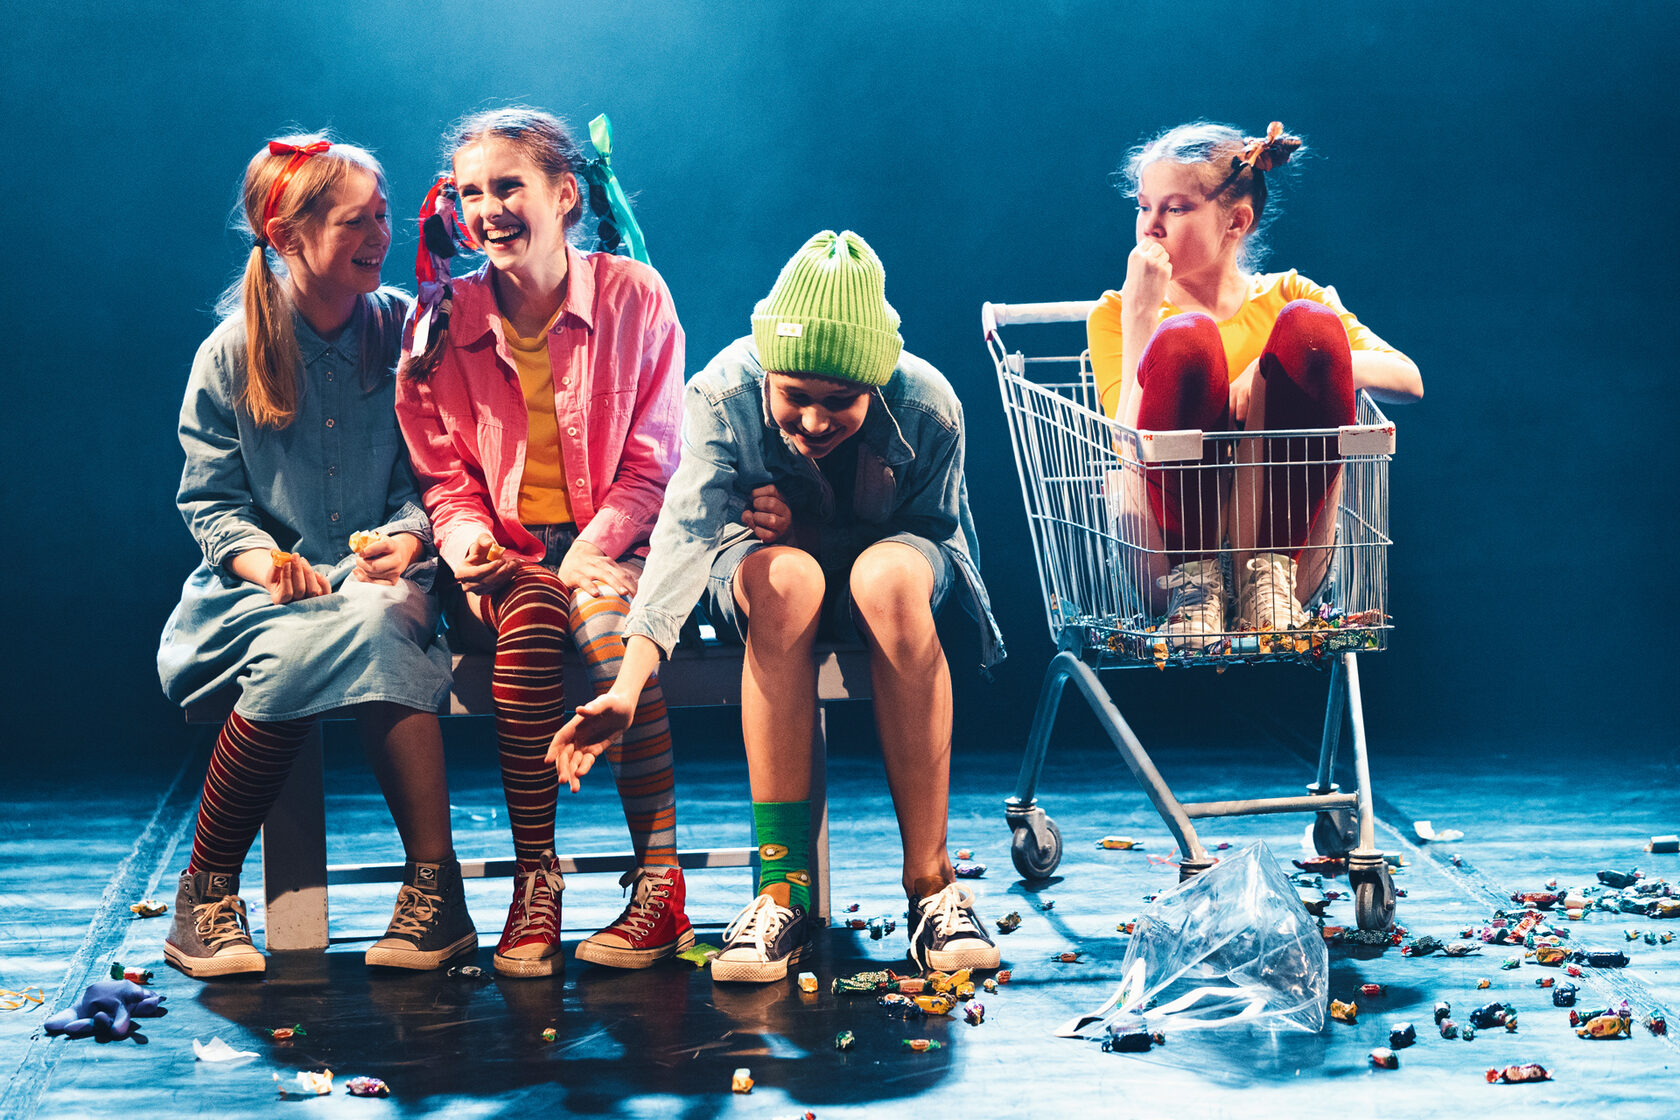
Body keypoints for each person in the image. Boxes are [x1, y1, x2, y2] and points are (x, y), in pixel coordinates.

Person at [551, 230, 1008, 983]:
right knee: (787, 581)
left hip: (888, 575)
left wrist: (821, 532)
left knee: (888, 579)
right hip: (766, 575)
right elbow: (682, 538)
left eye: (841, 402)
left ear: (876, 385)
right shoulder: (723, 396)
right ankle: (780, 891)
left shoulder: (929, 407)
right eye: (795, 397)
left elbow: (934, 535)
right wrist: (628, 686)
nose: (816, 423)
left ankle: (931, 884)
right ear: (767, 369)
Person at [157, 134, 475, 978]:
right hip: (266, 592)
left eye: (382, 216)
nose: (378, 236)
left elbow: (439, 470)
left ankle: (434, 894)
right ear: (286, 236)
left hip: (385, 579)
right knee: (299, 638)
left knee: (377, 616)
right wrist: (264, 561)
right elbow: (210, 501)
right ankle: (206, 897)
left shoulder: (409, 331)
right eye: (353, 223)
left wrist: (409, 535)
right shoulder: (232, 352)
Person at [396, 107, 690, 978]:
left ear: (564, 194)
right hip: (509, 559)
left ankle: (660, 885)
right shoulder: (440, 319)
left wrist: (591, 549)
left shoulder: (637, 296)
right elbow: (443, 476)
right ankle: (537, 879)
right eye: (470, 193)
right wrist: (466, 542)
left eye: (508, 187)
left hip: (619, 545)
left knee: (608, 628)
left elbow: (655, 462)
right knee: (528, 615)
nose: (487, 209)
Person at [1087, 121, 1423, 645]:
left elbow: (1409, 380)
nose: (1151, 226)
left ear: (1236, 222)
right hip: (1168, 559)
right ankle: (1197, 586)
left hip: (1284, 560)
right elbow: (1127, 444)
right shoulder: (1119, 311)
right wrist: (1141, 317)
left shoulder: (1289, 294)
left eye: (1175, 209)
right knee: (1187, 340)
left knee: (1312, 329)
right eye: (1143, 206)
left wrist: (1270, 367)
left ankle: (1266, 578)